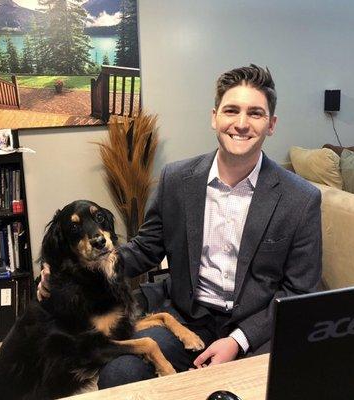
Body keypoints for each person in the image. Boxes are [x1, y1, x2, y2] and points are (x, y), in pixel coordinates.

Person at [37, 64, 322, 388]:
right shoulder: (177, 180)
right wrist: (60, 271)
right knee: (120, 375)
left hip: (257, 328)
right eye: (232, 110)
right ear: (214, 117)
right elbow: (145, 249)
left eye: (255, 113)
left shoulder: (301, 199)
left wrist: (238, 340)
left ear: (271, 124)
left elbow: (299, 293)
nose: (241, 123)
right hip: (189, 317)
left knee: (282, 383)